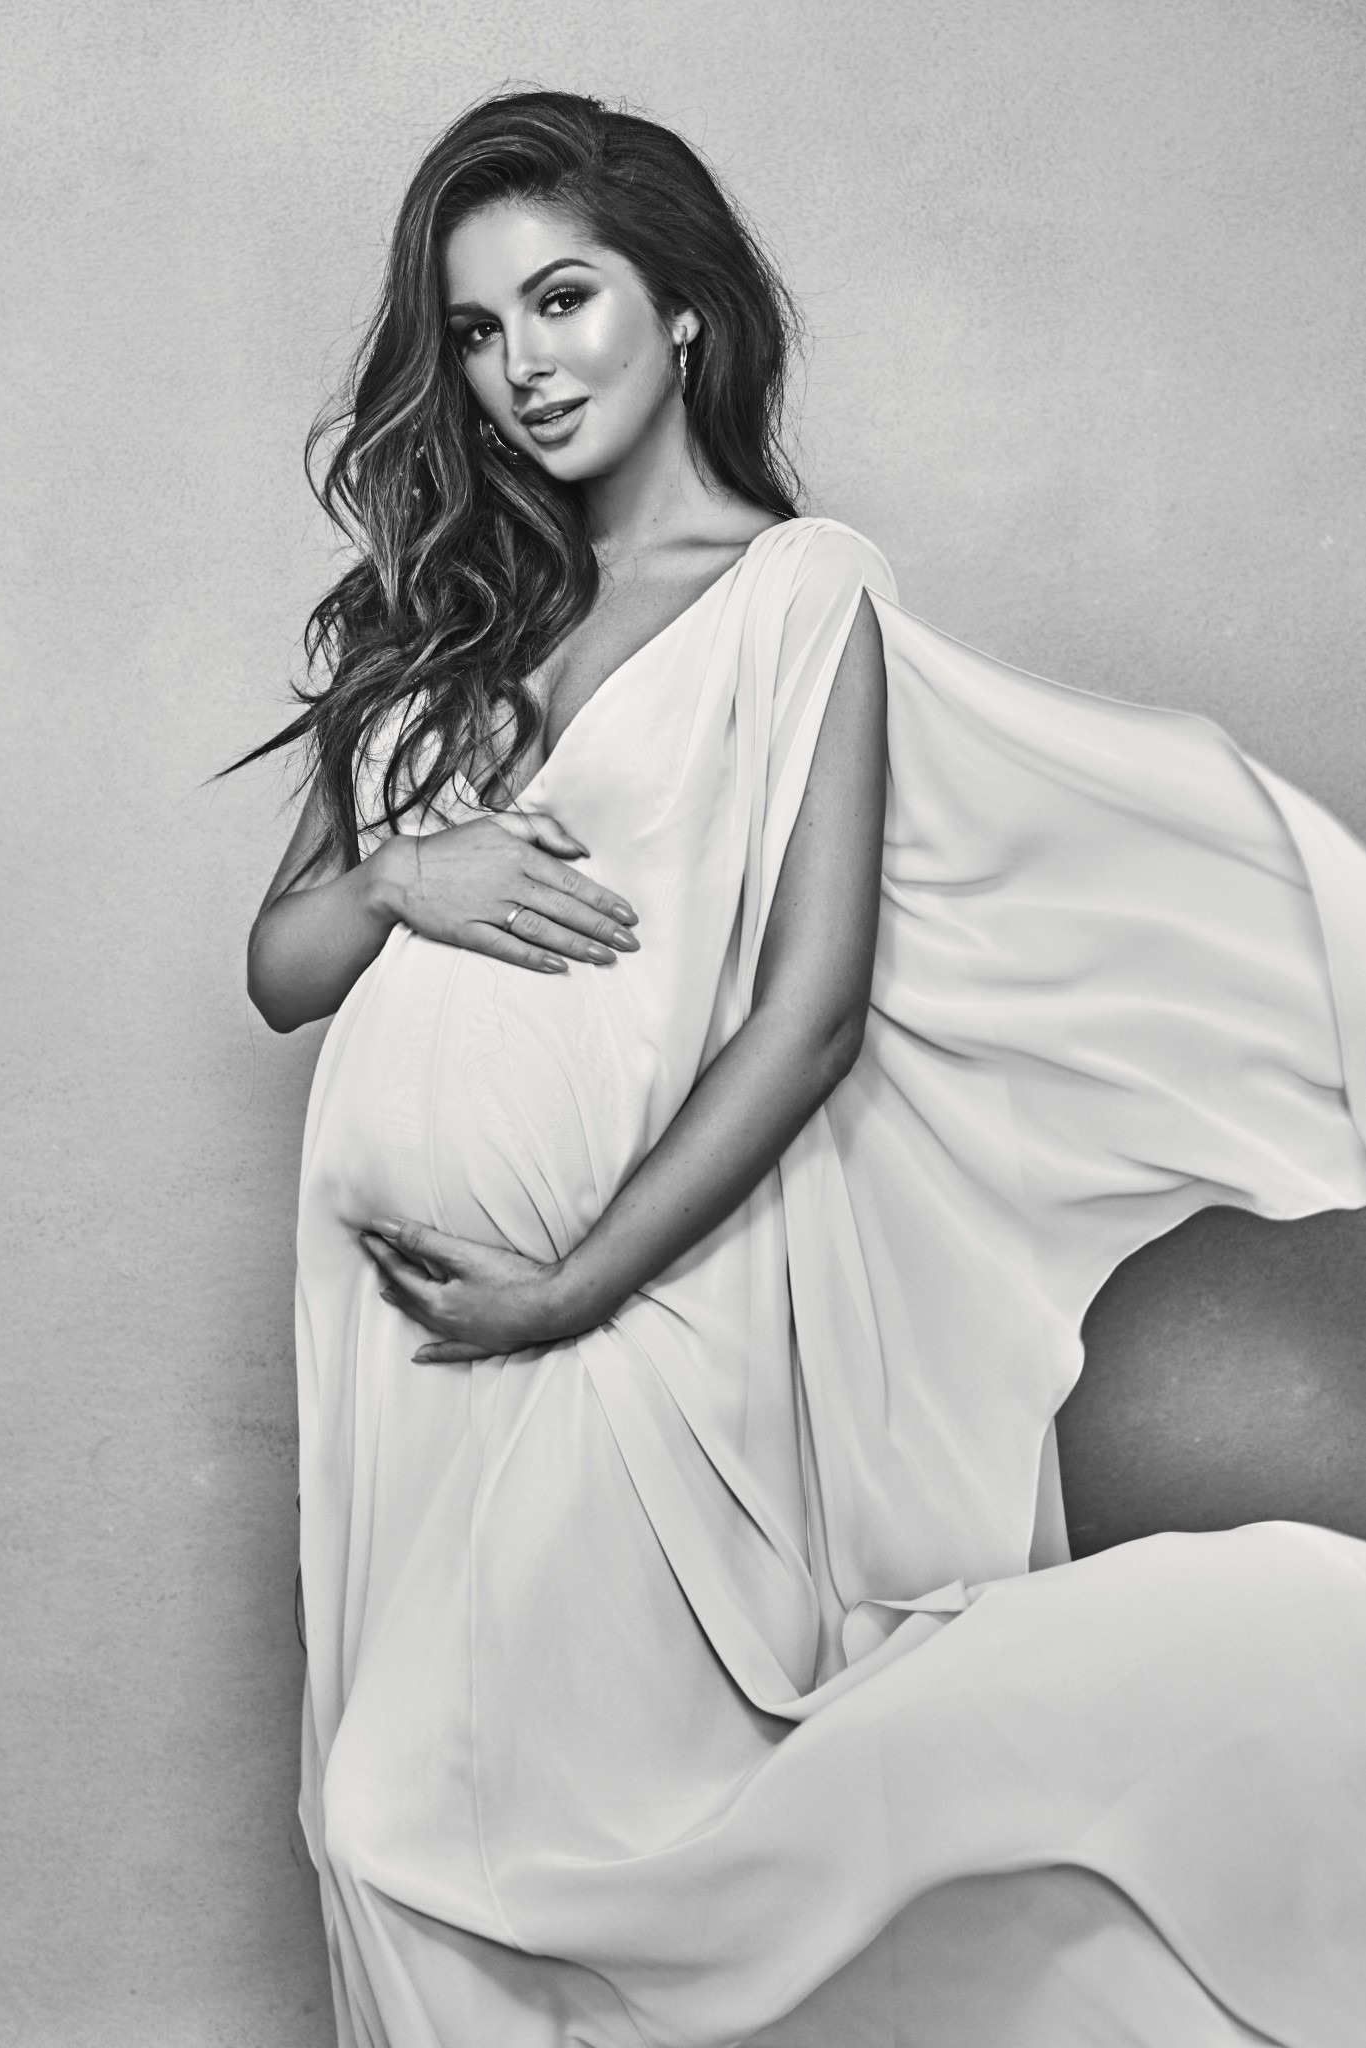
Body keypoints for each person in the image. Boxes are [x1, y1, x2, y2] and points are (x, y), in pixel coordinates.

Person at [242, 90, 1366, 2048]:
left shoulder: (796, 587)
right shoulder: (436, 619)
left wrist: (571, 1288)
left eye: (565, 301)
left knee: (539, 1837)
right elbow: (280, 968)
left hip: (631, 1308)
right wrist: (404, 874)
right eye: (479, 330)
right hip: (399, 1340)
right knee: (410, 1836)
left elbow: (811, 1006)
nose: (520, 368)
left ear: (679, 308)